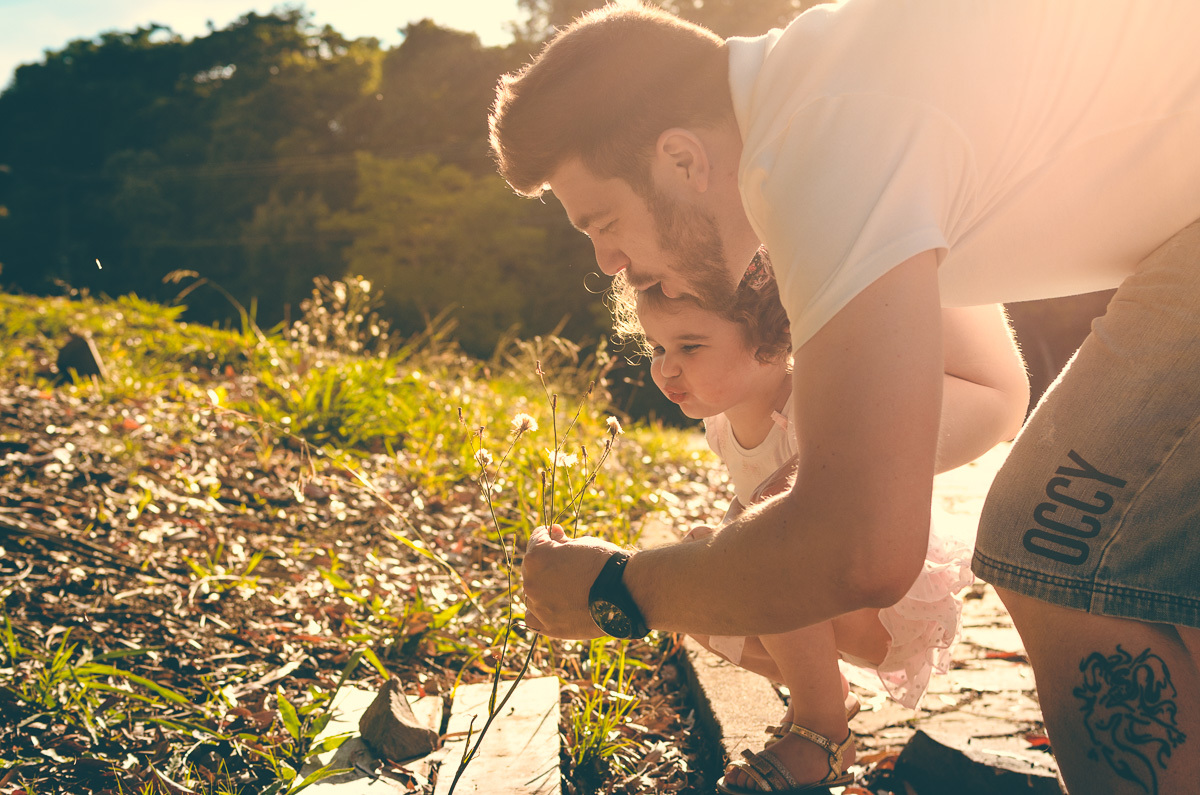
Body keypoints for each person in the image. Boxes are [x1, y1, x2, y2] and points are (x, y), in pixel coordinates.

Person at [489, 2, 1200, 791]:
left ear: (682, 159)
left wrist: (616, 591)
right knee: (1143, 568)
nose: (610, 260)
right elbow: (995, 390)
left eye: (605, 220)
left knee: (1053, 549)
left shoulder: (820, 148)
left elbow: (860, 551)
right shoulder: (827, 104)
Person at [610, 266, 973, 792]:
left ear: (772, 342)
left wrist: (733, 553)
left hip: (886, 596)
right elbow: (747, 507)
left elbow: (838, 527)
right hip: (825, 589)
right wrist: (710, 559)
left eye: (689, 347)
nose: (665, 369)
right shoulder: (722, 420)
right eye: (657, 348)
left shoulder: (812, 407)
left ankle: (821, 734)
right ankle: (825, 696)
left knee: (764, 566)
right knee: (687, 579)